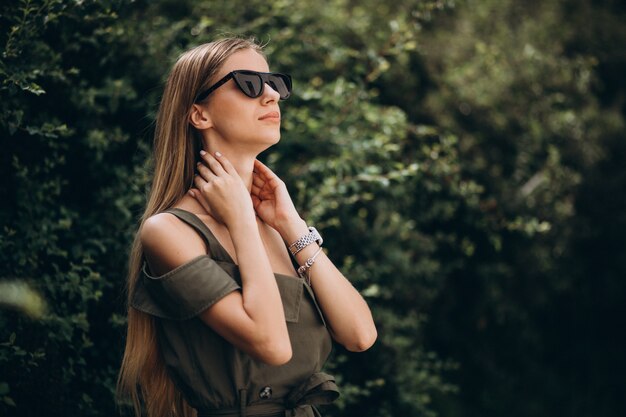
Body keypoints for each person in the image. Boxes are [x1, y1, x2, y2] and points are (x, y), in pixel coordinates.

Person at [117, 37, 377, 417]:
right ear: (199, 114)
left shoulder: (277, 226)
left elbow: (360, 335)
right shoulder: (170, 232)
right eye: (248, 83)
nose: (271, 95)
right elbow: (272, 344)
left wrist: (292, 225)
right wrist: (240, 220)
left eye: (273, 83)